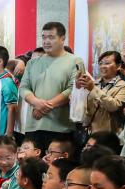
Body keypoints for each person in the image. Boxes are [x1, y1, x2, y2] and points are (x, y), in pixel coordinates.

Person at [19, 21, 85, 150]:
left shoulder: (75, 61)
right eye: (44, 37)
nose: (46, 41)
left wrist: (46, 106)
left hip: (61, 126)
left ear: (62, 39)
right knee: (32, 161)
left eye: (51, 37)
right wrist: (36, 103)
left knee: (56, 162)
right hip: (33, 125)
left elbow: (73, 89)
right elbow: (24, 87)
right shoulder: (32, 63)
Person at [79, 50, 125, 135]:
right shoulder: (93, 83)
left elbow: (114, 106)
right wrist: (78, 88)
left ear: (118, 66)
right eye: (100, 63)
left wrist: (93, 89)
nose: (103, 66)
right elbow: (83, 107)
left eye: (107, 63)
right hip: (91, 131)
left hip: (111, 133)